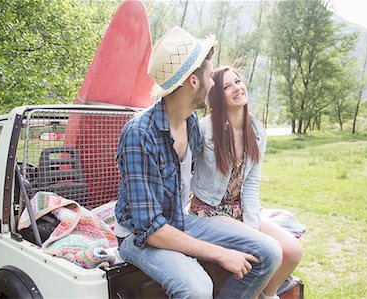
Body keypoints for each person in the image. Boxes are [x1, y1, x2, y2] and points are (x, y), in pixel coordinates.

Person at [114, 26, 282, 299]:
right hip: (139, 236)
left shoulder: (191, 124)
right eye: (209, 74)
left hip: (179, 219)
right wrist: (220, 253)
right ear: (193, 81)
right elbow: (150, 230)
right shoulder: (139, 134)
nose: (214, 83)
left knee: (270, 251)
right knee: (197, 288)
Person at [190, 66, 303, 299]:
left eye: (238, 82)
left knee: (291, 251)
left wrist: (252, 228)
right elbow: (183, 170)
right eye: (227, 86)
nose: (236, 88)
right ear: (216, 96)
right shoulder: (204, 129)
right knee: (267, 250)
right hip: (209, 211)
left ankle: (266, 295)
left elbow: (251, 184)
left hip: (239, 210)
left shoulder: (257, 131)